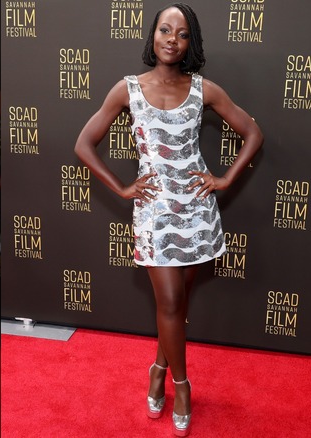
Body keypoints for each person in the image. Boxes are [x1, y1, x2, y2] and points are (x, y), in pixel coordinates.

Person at [75, 3, 263, 436]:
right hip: (155, 213)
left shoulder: (205, 90)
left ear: (189, 43)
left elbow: (253, 133)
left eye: (181, 34)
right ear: (153, 35)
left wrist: (224, 180)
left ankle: (158, 369)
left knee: (175, 308)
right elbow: (84, 144)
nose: (171, 39)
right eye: (164, 29)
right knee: (172, 304)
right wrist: (123, 189)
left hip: (197, 211)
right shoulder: (127, 89)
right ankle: (182, 385)